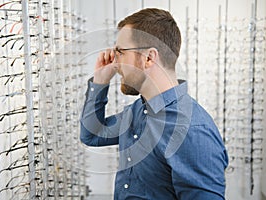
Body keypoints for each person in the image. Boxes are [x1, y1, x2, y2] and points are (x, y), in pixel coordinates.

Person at [80, 8, 228, 200]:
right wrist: (100, 83)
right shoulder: (138, 111)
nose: (115, 63)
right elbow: (92, 135)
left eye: (120, 52)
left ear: (149, 58)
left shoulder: (192, 131)